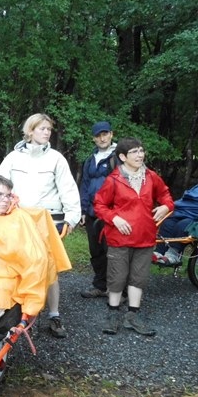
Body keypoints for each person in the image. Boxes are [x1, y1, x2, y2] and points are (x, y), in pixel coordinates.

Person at [0, 113, 81, 338]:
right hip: (18, 220)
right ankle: (17, 311)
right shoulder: (13, 158)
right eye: (42, 128)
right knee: (17, 266)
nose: (47, 132)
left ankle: (54, 315)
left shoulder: (56, 158)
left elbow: (68, 188)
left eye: (49, 129)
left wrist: (71, 217)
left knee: (49, 267)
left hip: (48, 220)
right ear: (30, 130)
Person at [94, 138, 174, 336]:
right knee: (117, 276)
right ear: (122, 157)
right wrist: (115, 218)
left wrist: (166, 206)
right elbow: (99, 205)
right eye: (134, 152)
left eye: (141, 151)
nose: (140, 155)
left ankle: (133, 316)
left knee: (139, 277)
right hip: (119, 238)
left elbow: (166, 196)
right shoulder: (113, 180)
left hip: (145, 237)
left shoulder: (151, 177)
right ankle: (113, 314)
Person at [79, 121, 117, 298]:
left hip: (111, 213)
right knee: (96, 251)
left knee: (114, 251)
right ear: (93, 138)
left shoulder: (119, 157)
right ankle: (100, 285)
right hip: (93, 213)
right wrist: (83, 210)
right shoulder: (89, 159)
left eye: (105, 134)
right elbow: (85, 185)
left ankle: (116, 289)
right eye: (98, 135)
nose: (102, 138)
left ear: (111, 134)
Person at [153, 183, 198, 264]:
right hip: (183, 212)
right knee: (167, 223)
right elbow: (186, 200)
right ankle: (159, 251)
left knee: (182, 225)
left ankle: (173, 254)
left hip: (194, 217)